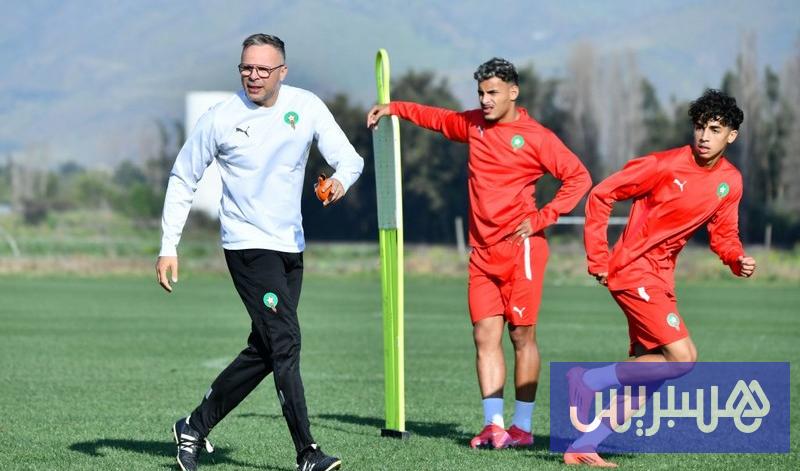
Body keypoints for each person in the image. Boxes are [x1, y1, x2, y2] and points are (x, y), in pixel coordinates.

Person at [156, 33, 363, 471]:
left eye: (263, 69)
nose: (253, 76)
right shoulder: (220, 118)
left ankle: (194, 425)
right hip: (247, 247)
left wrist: (338, 183)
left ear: (282, 72)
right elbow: (183, 177)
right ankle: (308, 452)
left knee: (267, 348)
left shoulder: (306, 106)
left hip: (291, 247)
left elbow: (351, 160)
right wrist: (168, 245)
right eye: (246, 67)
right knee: (286, 342)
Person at [367, 58, 591, 449]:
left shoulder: (536, 136)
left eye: (493, 93)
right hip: (482, 253)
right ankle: (493, 425)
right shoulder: (474, 125)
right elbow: (438, 119)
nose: (485, 100)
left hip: (521, 250)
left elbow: (579, 177)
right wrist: (395, 108)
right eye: (481, 93)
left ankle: (522, 427)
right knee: (484, 335)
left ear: (513, 93)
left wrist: (542, 217)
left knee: (521, 336)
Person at [567, 89, 757, 467]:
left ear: (731, 136)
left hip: (661, 277)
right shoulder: (663, 165)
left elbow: (724, 234)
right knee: (683, 359)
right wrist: (598, 257)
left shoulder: (730, 182)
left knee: (650, 375)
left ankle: (583, 447)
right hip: (633, 270)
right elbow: (601, 194)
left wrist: (736, 259)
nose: (704, 136)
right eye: (699, 127)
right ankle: (587, 381)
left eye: (714, 129)